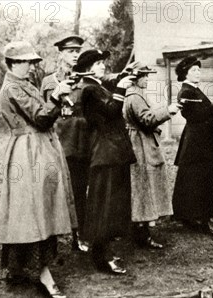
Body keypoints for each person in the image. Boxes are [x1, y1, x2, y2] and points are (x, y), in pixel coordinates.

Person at [0, 41, 73, 298]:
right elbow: (40, 118)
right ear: (13, 63)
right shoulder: (11, 89)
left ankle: (19, 268)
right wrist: (54, 97)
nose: (32, 66)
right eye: (27, 62)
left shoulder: (25, 84)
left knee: (36, 207)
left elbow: (45, 116)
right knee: (31, 209)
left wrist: (59, 100)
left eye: (32, 62)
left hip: (39, 148)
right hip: (27, 151)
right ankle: (41, 273)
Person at [75, 49, 136, 274]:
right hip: (106, 152)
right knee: (105, 207)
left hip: (113, 152)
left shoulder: (96, 86)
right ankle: (102, 256)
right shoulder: (90, 89)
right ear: (88, 68)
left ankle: (104, 251)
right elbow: (112, 112)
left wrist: (121, 79)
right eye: (98, 63)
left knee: (111, 206)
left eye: (102, 62)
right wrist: (122, 88)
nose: (102, 66)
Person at [123, 62, 182, 248]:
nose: (147, 79)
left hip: (139, 142)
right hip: (141, 145)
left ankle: (140, 229)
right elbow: (146, 119)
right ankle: (142, 234)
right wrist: (168, 111)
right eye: (144, 76)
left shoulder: (133, 94)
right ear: (136, 78)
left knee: (141, 188)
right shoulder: (135, 96)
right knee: (144, 187)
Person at [172, 56, 213, 236]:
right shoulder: (186, 91)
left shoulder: (193, 89)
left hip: (200, 142)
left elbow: (201, 113)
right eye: (194, 70)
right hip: (197, 143)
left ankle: (191, 216)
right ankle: (201, 220)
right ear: (186, 73)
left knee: (195, 179)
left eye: (199, 69)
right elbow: (194, 117)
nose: (198, 72)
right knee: (199, 180)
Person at [40, 35, 85, 251]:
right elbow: (45, 112)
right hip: (59, 143)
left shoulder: (85, 79)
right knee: (56, 191)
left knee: (79, 190)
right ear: (61, 54)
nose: (75, 55)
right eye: (70, 51)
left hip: (81, 143)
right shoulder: (50, 82)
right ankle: (53, 238)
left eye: (77, 51)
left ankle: (80, 236)